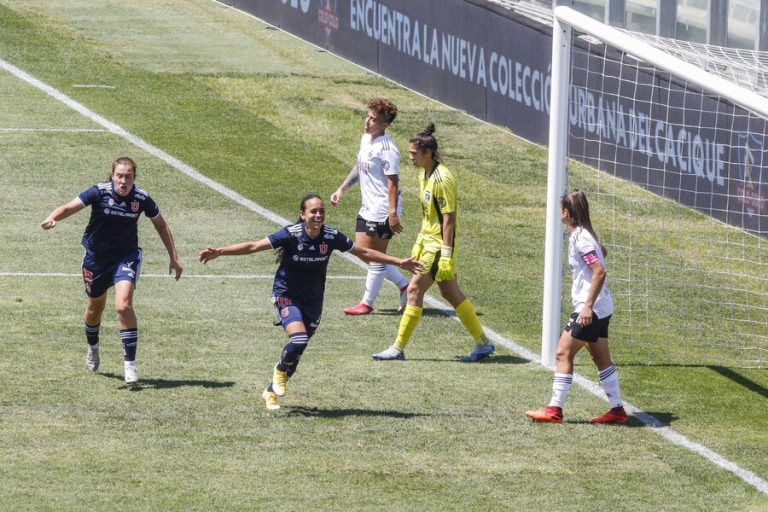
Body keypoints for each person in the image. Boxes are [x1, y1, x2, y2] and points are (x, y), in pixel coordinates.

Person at [198, 194, 421, 411]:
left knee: (298, 350)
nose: (318, 215)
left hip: (313, 301)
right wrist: (220, 251)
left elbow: (362, 251)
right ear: (302, 214)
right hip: (286, 295)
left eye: (321, 211)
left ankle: (271, 392)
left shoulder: (331, 236)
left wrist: (399, 261)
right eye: (313, 211)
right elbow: (255, 246)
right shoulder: (291, 234)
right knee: (298, 339)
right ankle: (279, 370)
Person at [41, 156, 183, 384]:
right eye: (119, 175)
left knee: (123, 305)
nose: (123, 180)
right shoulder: (99, 192)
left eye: (128, 176)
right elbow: (70, 207)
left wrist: (174, 258)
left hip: (125, 257)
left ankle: (130, 364)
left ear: (134, 178)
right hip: (96, 259)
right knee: (94, 309)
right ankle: (93, 347)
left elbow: (161, 225)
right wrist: (52, 217)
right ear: (113, 176)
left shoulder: (141, 198)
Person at [372, 123, 495, 362]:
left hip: (439, 246)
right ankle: (483, 344)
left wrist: (446, 254)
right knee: (451, 293)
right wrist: (419, 240)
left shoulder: (443, 179)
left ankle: (397, 348)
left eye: (413, 154)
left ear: (427, 153)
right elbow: (429, 214)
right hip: (428, 241)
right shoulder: (423, 174)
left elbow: (449, 219)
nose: (410, 158)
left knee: (414, 290)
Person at [525, 190, 627, 424]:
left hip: (591, 309)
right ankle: (617, 410)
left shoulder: (581, 238)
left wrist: (587, 307)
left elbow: (599, 271)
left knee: (563, 352)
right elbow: (601, 257)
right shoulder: (585, 235)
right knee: (601, 358)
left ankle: (554, 410)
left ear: (566, 212)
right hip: (603, 307)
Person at [330, 98, 410, 315]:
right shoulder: (366, 139)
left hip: (383, 209)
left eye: (373, 119)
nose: (367, 122)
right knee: (363, 252)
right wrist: (342, 189)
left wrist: (392, 213)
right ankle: (405, 285)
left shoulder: (388, 149)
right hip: (368, 207)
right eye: (368, 116)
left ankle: (367, 303)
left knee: (375, 255)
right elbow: (359, 166)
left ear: (384, 124)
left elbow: (392, 182)